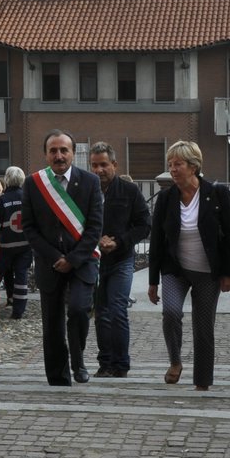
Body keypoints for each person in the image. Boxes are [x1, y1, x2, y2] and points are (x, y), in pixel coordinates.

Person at [147, 141, 230, 391]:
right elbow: (156, 240)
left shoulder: (216, 193)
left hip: (207, 273)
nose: (173, 169)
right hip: (175, 270)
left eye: (177, 164)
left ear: (193, 166)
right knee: (170, 313)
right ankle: (175, 361)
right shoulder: (166, 198)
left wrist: (228, 273)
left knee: (203, 327)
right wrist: (153, 281)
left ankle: (202, 381)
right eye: (170, 165)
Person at [23, 130, 105, 386]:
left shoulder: (90, 182)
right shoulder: (34, 183)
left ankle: (78, 360)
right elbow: (29, 227)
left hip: (82, 260)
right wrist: (54, 256)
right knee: (52, 320)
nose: (59, 156)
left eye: (64, 150)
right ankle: (58, 375)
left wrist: (72, 258)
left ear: (73, 153)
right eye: (53, 151)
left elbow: (94, 227)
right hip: (50, 261)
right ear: (46, 154)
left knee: (80, 310)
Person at [90, 142, 150, 377]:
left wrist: (119, 241)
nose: (98, 170)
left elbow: (144, 224)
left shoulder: (129, 191)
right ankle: (105, 363)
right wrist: (96, 239)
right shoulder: (86, 191)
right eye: (94, 165)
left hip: (121, 259)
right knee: (100, 313)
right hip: (94, 260)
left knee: (117, 310)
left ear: (114, 164)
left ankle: (121, 364)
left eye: (103, 165)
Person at [0, 165, 30, 318]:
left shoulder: (2, 200)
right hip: (25, 246)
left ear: (7, 180)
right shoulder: (28, 197)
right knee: (21, 276)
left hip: (5, 246)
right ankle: (18, 311)